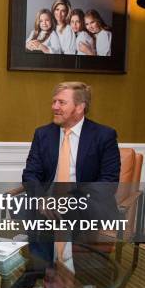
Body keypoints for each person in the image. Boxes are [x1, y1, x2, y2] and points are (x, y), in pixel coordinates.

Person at [22, 82, 120, 262]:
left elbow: (109, 181)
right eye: (54, 102)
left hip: (85, 200)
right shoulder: (43, 134)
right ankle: (43, 269)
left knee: (61, 214)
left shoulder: (103, 136)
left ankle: (54, 269)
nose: (54, 107)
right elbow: (30, 174)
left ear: (80, 107)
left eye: (61, 102)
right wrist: (42, 199)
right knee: (26, 206)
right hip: (49, 198)